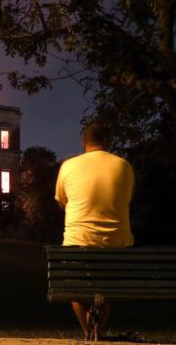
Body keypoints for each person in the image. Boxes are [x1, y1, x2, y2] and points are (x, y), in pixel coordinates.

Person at [54, 122, 135, 340]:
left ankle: (88, 333)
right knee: (105, 291)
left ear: (84, 142)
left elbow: (61, 201)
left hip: (77, 244)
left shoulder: (68, 166)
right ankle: (94, 330)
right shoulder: (124, 166)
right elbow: (125, 200)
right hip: (115, 248)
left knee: (75, 291)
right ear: (107, 141)